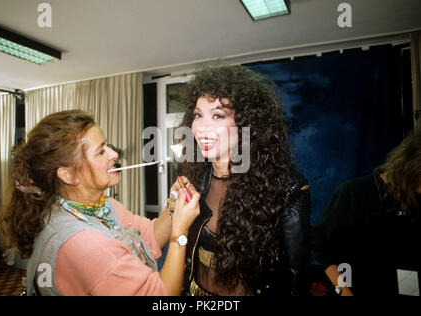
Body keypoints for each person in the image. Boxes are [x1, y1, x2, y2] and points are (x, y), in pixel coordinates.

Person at [0, 110, 200, 296]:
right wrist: (180, 234)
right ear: (68, 174)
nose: (114, 155)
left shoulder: (102, 206)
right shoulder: (85, 244)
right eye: (101, 151)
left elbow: (150, 236)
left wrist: (173, 205)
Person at [178, 65, 312, 296]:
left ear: (245, 123)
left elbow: (296, 279)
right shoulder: (194, 179)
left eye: (217, 115)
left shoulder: (286, 186)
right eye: (198, 115)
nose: (201, 128)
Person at [312, 131, 421, 296]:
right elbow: (324, 250)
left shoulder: (413, 201)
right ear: (410, 169)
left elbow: (407, 263)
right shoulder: (353, 192)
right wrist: (343, 289)